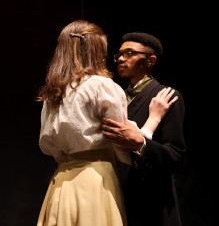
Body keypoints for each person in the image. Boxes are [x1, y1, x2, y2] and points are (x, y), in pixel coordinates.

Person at [36, 20, 177, 226]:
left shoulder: (53, 94)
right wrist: (153, 120)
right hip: (93, 181)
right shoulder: (101, 86)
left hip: (60, 184)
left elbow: (50, 148)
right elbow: (124, 146)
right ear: (96, 49)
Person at [101, 32, 186, 226]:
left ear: (150, 60)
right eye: (119, 55)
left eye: (129, 53)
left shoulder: (166, 96)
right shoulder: (116, 97)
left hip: (151, 202)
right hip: (117, 196)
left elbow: (175, 155)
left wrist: (141, 144)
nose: (121, 58)